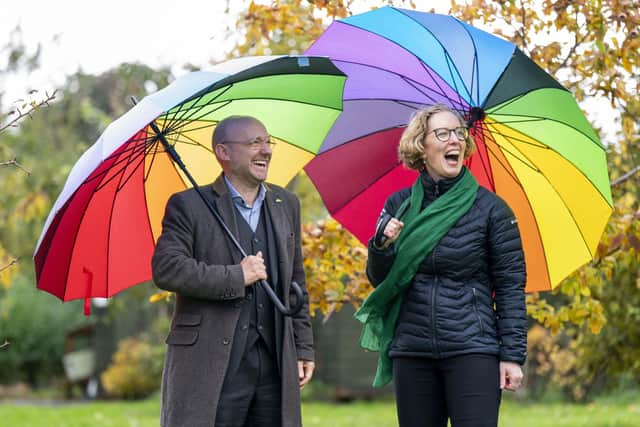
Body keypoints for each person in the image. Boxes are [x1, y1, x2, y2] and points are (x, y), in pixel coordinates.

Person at [355, 104, 527, 427]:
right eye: (443, 133)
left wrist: (512, 355)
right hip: (413, 351)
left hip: (472, 349)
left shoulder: (491, 209)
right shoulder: (399, 205)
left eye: (460, 133)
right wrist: (380, 245)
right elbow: (380, 279)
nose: (455, 141)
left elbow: (510, 286)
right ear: (421, 145)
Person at [152, 115, 315, 427]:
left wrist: (304, 346)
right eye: (255, 143)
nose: (266, 150)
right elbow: (167, 269)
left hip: (274, 362)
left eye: (268, 142)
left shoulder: (286, 203)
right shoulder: (189, 206)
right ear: (224, 152)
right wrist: (235, 276)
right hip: (212, 363)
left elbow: (296, 281)